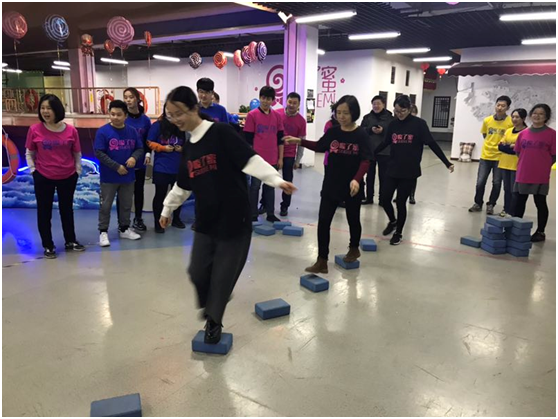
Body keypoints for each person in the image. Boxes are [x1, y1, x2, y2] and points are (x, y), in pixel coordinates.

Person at [160, 86, 296, 344]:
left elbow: (249, 160)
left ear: (194, 108)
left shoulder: (220, 132)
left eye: (179, 113)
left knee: (222, 276)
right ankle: (215, 300)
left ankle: (214, 320)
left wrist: (276, 180)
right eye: (170, 115)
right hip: (206, 220)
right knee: (197, 271)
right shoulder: (189, 148)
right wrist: (168, 209)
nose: (176, 119)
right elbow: (182, 185)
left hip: (235, 218)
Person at [284, 95, 372, 273]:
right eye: (338, 112)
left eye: (345, 113)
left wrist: (357, 179)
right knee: (324, 221)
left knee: (353, 219)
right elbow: (320, 146)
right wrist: (299, 141)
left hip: (352, 186)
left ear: (354, 113)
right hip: (331, 182)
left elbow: (366, 160)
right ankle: (322, 260)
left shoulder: (361, 134)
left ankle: (354, 248)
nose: (341, 116)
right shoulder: (333, 132)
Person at [375, 95, 454, 246]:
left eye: (402, 111)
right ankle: (393, 221)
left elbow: (432, 143)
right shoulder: (393, 124)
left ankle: (398, 233)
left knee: (400, 202)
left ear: (409, 109)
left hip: (409, 171)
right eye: (396, 111)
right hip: (393, 167)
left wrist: (446, 162)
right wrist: (370, 153)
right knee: (385, 198)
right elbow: (385, 142)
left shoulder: (419, 124)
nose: (399, 114)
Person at [25, 94, 84, 259]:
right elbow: (30, 153)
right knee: (44, 212)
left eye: (49, 108)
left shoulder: (71, 130)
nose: (45, 111)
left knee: (67, 210)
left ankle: (70, 240)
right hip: (43, 176)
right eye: (42, 108)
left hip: (67, 176)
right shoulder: (34, 130)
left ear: (57, 110)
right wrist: (34, 171)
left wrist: (77, 171)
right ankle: (48, 245)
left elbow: (77, 153)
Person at [94, 100, 143, 247]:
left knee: (126, 204)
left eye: (119, 114)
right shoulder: (103, 132)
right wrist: (116, 167)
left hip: (128, 176)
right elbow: (99, 152)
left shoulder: (132, 131)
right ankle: (103, 231)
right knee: (106, 205)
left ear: (125, 115)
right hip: (109, 177)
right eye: (112, 114)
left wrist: (134, 157)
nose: (115, 117)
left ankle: (124, 228)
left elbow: (139, 148)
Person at [512, 104, 556, 242]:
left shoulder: (552, 134)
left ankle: (540, 232)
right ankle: (516, 228)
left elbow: (554, 156)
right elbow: (518, 152)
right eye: (535, 113)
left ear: (546, 117)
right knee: (519, 201)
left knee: (540, 202)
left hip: (540, 175)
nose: (537, 116)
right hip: (523, 172)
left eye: (541, 114)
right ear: (531, 115)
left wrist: (542, 166)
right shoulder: (523, 133)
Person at [244, 85, 284, 222]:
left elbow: (280, 139)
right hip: (257, 159)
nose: (266, 101)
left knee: (270, 187)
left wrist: (280, 158)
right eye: (263, 98)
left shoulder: (277, 116)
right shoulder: (252, 115)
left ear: (273, 100)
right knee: (255, 187)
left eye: (269, 99)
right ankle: (252, 214)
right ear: (260, 98)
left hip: (272, 158)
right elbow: (248, 140)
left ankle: (270, 213)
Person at [469, 95, 513, 215]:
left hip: (500, 157)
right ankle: (478, 203)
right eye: (498, 105)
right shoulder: (487, 120)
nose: (500, 108)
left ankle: (491, 204)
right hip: (486, 155)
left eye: (503, 106)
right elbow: (485, 135)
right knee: (480, 182)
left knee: (497, 183)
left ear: (507, 108)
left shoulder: (510, 122)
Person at [147, 105, 187, 233]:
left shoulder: (182, 125)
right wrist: (162, 148)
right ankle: (158, 222)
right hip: (161, 167)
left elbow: (189, 143)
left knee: (178, 195)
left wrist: (183, 149)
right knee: (160, 195)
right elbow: (149, 142)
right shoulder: (157, 125)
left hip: (178, 166)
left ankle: (176, 219)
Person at [123, 87, 152, 232]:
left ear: (137, 99)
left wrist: (148, 154)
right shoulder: (123, 118)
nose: (128, 100)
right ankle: (123, 222)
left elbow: (148, 139)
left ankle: (138, 218)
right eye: (126, 97)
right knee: (124, 192)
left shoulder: (145, 120)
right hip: (124, 160)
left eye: (131, 97)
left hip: (140, 160)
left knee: (138, 190)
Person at [275, 92, 306, 216]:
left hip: (289, 155)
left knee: (287, 180)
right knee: (269, 179)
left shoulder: (301, 121)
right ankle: (265, 204)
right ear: (286, 102)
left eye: (295, 103)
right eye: (290, 102)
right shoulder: (277, 114)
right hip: (274, 152)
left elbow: (301, 142)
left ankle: (285, 206)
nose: (292, 105)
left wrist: (298, 160)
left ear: (299, 104)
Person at [361, 95, 394, 205]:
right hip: (370, 151)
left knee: (383, 176)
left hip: (385, 151)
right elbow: (361, 131)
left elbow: (393, 132)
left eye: (378, 103)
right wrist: (370, 129)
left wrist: (383, 130)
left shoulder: (390, 118)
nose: (376, 106)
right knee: (369, 176)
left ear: (383, 104)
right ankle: (369, 197)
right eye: (374, 104)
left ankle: (382, 199)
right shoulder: (367, 118)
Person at [497, 108, 528, 217]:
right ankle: (506, 209)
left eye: (517, 117)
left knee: (514, 191)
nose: (514, 119)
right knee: (506, 189)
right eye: (513, 117)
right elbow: (500, 146)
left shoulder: (526, 132)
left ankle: (513, 212)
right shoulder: (509, 130)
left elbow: (521, 149)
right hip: (504, 163)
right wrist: (512, 147)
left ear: (523, 118)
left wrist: (511, 147)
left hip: (517, 165)